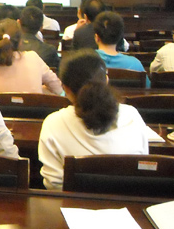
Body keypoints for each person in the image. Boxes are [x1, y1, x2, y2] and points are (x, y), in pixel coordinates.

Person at [38, 49, 149, 190]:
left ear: (66, 89)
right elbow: (142, 166)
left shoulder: (53, 123)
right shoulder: (132, 115)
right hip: (128, 200)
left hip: (72, 203)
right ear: (106, 80)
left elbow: (53, 184)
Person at [0, 19, 62, 94]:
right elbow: (58, 89)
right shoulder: (33, 58)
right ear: (20, 42)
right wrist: (38, 90)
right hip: (34, 106)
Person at [93, 11, 149, 86]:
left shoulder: (84, 62)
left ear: (96, 37)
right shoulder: (135, 64)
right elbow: (147, 88)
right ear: (120, 38)